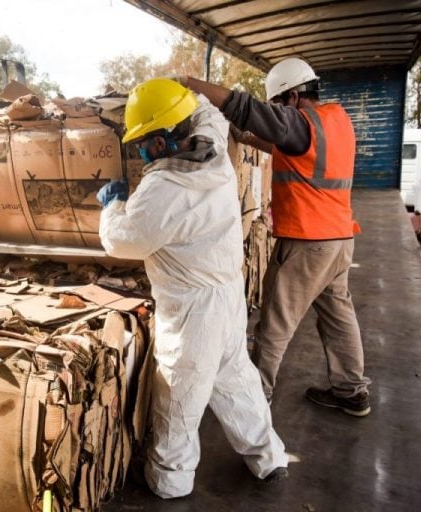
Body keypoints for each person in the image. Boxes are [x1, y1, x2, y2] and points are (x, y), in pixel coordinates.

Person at [97, 78, 288, 499]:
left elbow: (123, 240)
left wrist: (111, 205)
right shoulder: (213, 148)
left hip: (191, 314)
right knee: (236, 377)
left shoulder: (163, 190)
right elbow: (209, 111)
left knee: (178, 396)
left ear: (165, 140)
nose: (141, 152)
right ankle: (269, 456)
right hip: (227, 294)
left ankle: (170, 481)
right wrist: (180, 89)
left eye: (144, 142)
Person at [179, 57, 372, 417]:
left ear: (294, 97)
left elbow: (245, 107)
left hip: (307, 244)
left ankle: (254, 401)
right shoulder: (336, 121)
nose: (275, 112)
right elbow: (289, 147)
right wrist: (247, 137)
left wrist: (191, 83)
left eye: (277, 105)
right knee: (338, 315)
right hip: (339, 240)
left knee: (274, 325)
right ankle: (351, 391)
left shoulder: (302, 122)